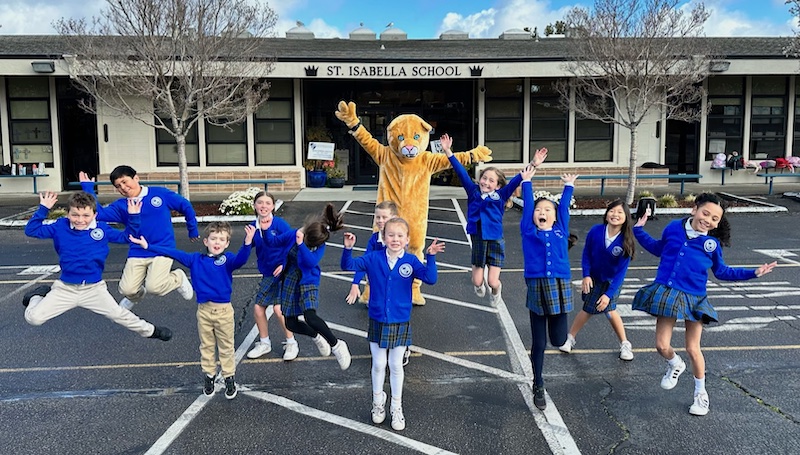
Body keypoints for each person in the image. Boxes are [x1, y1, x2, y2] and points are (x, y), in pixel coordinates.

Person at [632, 192, 776, 416]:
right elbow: (658, 249)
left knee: (693, 348)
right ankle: (675, 364)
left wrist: (754, 273)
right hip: (668, 292)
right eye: (705, 213)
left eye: (714, 219)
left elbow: (722, 271)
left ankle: (701, 395)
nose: (708, 220)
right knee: (661, 346)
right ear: (694, 210)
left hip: (695, 298)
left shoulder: (711, 244)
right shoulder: (673, 227)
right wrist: (638, 231)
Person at [22, 191, 172, 342]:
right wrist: (43, 208)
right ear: (67, 214)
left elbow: (127, 237)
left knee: (119, 315)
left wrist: (133, 217)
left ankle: (152, 331)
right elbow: (31, 230)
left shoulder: (102, 229)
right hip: (65, 289)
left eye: (86, 216)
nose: (80, 220)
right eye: (75, 215)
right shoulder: (60, 226)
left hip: (94, 289)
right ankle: (37, 296)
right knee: (33, 318)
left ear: (94, 214)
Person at [130, 221, 255, 400]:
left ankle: (229, 377)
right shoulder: (195, 259)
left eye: (221, 239)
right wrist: (148, 246)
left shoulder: (227, 259)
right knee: (206, 345)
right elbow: (173, 253)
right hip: (204, 311)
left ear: (227, 243)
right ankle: (209, 375)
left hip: (224, 312)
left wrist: (247, 242)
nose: (217, 242)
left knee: (226, 346)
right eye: (213, 238)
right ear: (206, 241)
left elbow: (241, 259)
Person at [341, 219, 444, 431]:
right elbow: (348, 265)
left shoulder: (411, 261)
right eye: (391, 235)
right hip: (378, 319)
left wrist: (431, 256)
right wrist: (348, 249)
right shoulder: (373, 258)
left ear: (407, 240)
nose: (395, 239)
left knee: (396, 365)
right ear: (383, 237)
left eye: (399, 236)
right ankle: (378, 403)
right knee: (378, 364)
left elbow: (430, 279)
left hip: (400, 320)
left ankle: (397, 407)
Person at [442, 134, 547, 305]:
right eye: (484, 178)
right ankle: (480, 285)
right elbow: (461, 172)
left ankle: (497, 290)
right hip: (478, 240)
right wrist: (448, 151)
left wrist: (533, 163)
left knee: (492, 281)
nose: (486, 182)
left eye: (491, 181)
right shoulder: (473, 192)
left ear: (498, 185)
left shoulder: (501, 195)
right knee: (477, 282)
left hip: (495, 241)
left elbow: (518, 179)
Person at [80, 166, 198, 311]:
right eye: (118, 186)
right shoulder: (121, 206)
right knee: (127, 290)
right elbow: (99, 214)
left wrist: (192, 229)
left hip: (162, 248)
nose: (123, 187)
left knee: (154, 287)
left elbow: (185, 205)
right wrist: (88, 188)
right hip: (137, 250)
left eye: (124, 182)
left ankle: (178, 278)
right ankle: (135, 297)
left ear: (136, 178)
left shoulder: (159, 194)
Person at [264, 203, 352, 370]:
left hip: (308, 281)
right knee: (290, 323)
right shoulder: (295, 234)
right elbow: (273, 242)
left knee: (310, 316)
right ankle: (317, 337)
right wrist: (266, 227)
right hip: (290, 280)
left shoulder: (319, 244)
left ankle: (337, 345)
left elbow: (310, 263)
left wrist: (302, 245)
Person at [520, 162, 579, 411]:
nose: (542, 212)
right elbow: (526, 211)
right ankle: (538, 382)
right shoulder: (528, 231)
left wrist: (568, 186)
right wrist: (526, 182)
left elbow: (564, 207)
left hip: (560, 285)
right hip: (537, 286)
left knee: (558, 339)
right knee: (540, 342)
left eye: (547, 209)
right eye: (538, 209)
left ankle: (541, 373)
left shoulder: (560, 230)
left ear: (554, 216)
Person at [559, 199, 636, 361]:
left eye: (620, 212)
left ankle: (625, 344)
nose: (615, 215)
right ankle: (570, 338)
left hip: (611, 282)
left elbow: (621, 273)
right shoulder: (596, 231)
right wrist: (586, 275)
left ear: (626, 217)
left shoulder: (626, 240)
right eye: (612, 211)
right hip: (594, 278)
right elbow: (586, 254)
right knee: (587, 309)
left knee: (609, 310)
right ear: (606, 214)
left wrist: (608, 294)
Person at [245, 191, 299, 361]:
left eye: (268, 203)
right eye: (260, 202)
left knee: (278, 309)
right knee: (258, 308)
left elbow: (292, 245)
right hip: (268, 273)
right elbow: (245, 251)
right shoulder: (253, 227)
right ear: (254, 205)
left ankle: (291, 343)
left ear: (273, 206)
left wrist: (284, 264)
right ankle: (264, 343)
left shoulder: (280, 224)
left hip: (284, 272)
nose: (264, 206)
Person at [346, 200, 398, 305]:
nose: (380, 220)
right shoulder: (375, 239)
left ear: (394, 218)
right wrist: (355, 283)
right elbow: (365, 261)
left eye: (384, 217)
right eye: (378, 217)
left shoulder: (399, 239)